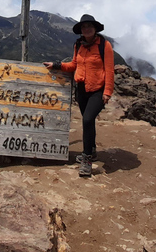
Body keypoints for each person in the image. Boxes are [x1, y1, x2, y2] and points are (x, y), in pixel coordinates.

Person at [44, 14, 114, 177]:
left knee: (88, 119)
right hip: (81, 89)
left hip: (97, 89)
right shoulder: (79, 44)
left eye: (89, 26)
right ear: (81, 30)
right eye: (84, 27)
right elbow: (74, 65)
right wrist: (56, 65)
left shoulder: (105, 45)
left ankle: (87, 160)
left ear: (95, 28)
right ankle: (93, 150)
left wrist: (107, 91)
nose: (87, 29)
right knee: (88, 121)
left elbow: (109, 70)